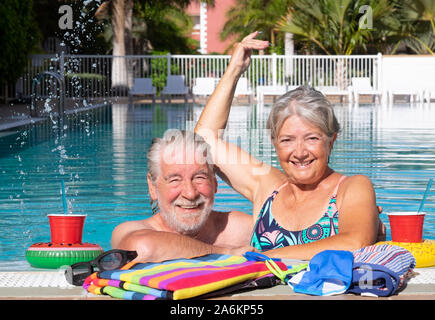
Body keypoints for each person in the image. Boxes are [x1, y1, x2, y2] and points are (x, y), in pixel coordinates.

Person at [194, 31, 384, 260]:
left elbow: (354, 242)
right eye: (287, 140)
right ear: (274, 144)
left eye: (312, 138)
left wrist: (262, 258)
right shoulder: (267, 188)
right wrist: (234, 70)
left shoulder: (351, 188)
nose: (300, 152)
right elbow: (202, 141)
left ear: (331, 141)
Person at [111, 129, 254, 262]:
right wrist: (224, 253)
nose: (190, 194)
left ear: (214, 183)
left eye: (199, 178)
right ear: (152, 187)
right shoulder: (130, 232)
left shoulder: (240, 229)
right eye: (175, 180)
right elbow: (144, 249)